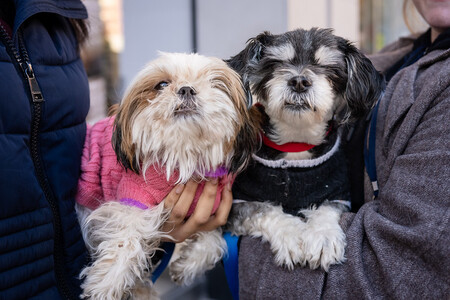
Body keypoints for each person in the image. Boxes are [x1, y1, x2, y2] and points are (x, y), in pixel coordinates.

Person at [0, 0, 231, 299]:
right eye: (163, 85)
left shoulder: (59, 11)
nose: (185, 92)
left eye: (207, 84)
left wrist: (162, 241)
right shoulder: (141, 163)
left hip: (70, 267)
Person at [237, 0, 450, 298]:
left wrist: (238, 251)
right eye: (278, 66)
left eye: (324, 70)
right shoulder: (398, 55)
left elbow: (402, 264)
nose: (300, 79)